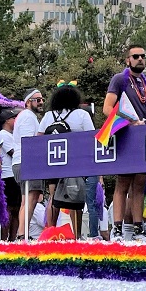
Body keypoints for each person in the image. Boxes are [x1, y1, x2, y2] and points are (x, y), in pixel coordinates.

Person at [104, 44, 146, 240]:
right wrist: (131, 121)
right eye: (135, 56)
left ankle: (138, 228)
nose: (140, 59)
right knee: (123, 183)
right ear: (127, 60)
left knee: (140, 183)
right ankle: (117, 228)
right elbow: (107, 108)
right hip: (126, 135)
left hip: (143, 136)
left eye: (143, 56)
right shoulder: (120, 79)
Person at [36, 82, 94, 234]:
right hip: (76, 163)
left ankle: (51, 231)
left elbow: (39, 138)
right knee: (76, 199)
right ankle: (77, 234)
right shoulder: (82, 115)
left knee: (53, 198)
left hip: (53, 162)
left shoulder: (49, 116)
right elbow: (91, 137)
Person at [13, 89, 45, 239]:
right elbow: (28, 142)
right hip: (27, 161)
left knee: (27, 200)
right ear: (28, 102)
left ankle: (22, 234)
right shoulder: (27, 116)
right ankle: (21, 235)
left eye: (42, 99)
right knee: (30, 199)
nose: (41, 102)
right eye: (37, 100)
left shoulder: (26, 116)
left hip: (23, 161)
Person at [0, 108, 22, 240]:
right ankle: (4, 239)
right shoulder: (3, 134)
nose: (16, 121)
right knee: (9, 209)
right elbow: (13, 153)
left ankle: (12, 239)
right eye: (14, 118)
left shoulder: (12, 135)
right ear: (7, 121)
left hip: (15, 175)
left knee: (17, 209)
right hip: (8, 176)